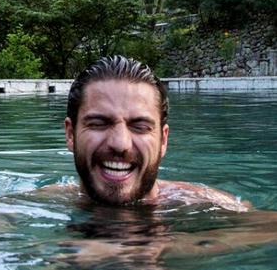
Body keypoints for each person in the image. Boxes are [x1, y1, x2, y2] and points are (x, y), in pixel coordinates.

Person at [58, 55, 249, 210]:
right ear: (71, 134)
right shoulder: (40, 202)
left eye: (140, 126)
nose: (120, 143)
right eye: (99, 123)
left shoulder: (210, 205)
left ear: (163, 140)